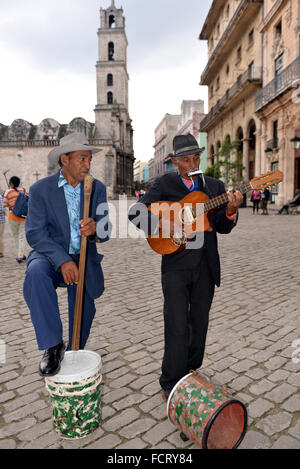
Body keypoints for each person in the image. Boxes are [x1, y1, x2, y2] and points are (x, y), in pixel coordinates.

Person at [128, 133, 243, 399]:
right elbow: (135, 212)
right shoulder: (164, 184)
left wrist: (230, 210)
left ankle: (191, 369)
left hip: (205, 264)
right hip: (175, 264)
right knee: (177, 323)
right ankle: (170, 380)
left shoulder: (214, 186)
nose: (192, 163)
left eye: (196, 157)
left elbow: (223, 228)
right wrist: (162, 224)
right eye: (186, 159)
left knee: (199, 323)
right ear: (175, 162)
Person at [23, 133, 111, 377]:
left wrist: (95, 229)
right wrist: (62, 260)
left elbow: (106, 229)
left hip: (84, 256)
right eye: (82, 158)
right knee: (35, 273)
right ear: (65, 160)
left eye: (89, 159)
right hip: (50, 257)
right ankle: (52, 346)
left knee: (82, 305)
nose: (87, 164)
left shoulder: (97, 188)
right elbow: (35, 233)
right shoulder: (41, 190)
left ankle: (74, 349)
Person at [2, 176, 27, 263]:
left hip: (13, 217)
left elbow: (4, 204)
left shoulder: (8, 192)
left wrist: (11, 204)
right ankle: (21, 255)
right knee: (22, 237)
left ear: (11, 183)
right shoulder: (24, 191)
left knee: (16, 236)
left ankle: (20, 255)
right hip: (24, 217)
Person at [0, 191, 6, 257]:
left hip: (0, 221)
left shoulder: (0, 198)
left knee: (0, 237)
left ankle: (0, 252)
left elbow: (2, 210)